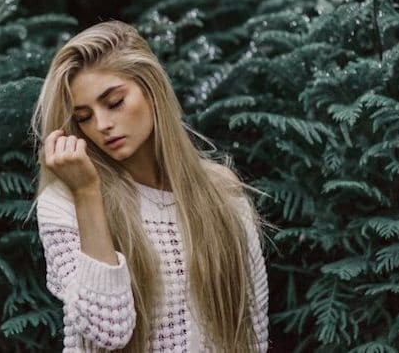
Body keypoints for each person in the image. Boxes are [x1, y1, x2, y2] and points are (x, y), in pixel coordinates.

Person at [31, 20, 269, 352]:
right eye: (83, 117)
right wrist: (87, 194)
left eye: (115, 102)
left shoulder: (221, 191)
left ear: (151, 89)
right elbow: (107, 331)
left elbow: (252, 329)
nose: (102, 125)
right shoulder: (64, 202)